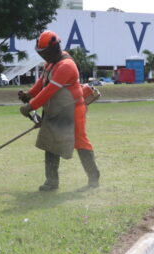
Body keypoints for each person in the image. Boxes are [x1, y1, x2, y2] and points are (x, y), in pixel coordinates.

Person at [18, 30, 100, 192]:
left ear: (52, 50)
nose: (42, 56)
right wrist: (29, 95)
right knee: (50, 142)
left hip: (73, 109)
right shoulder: (52, 63)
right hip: (57, 110)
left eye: (43, 53)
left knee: (80, 141)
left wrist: (30, 106)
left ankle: (93, 178)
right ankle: (51, 182)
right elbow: (42, 82)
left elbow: (49, 91)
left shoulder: (66, 66)